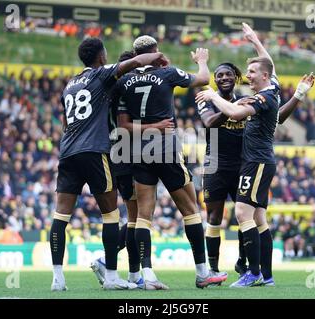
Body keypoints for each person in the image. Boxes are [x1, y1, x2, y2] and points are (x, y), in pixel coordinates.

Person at [196, 23, 315, 287]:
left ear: (262, 76)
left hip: (255, 161)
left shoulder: (260, 99)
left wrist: (215, 98)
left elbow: (237, 114)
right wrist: (255, 41)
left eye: (250, 72)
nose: (247, 75)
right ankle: (266, 275)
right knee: (257, 218)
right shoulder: (269, 87)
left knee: (242, 213)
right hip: (245, 161)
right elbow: (268, 64)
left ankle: (253, 272)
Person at [50, 37, 165, 291]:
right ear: (101, 56)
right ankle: (112, 276)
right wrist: (157, 57)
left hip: (68, 152)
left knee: (60, 216)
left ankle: (57, 279)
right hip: (94, 150)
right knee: (111, 214)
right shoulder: (100, 76)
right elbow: (136, 60)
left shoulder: (69, 85)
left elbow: (66, 124)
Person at [112, 35, 226, 289]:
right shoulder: (167, 73)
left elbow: (123, 125)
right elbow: (203, 79)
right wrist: (202, 61)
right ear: (156, 51)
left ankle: (148, 276)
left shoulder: (124, 82)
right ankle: (202, 272)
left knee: (143, 215)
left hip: (137, 152)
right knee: (190, 209)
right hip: (164, 148)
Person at [91, 50, 173, 288]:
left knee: (136, 216)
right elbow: (126, 125)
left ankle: (133, 273)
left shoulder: (114, 89)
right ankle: (109, 262)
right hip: (125, 154)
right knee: (137, 217)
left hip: (122, 153)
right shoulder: (122, 90)